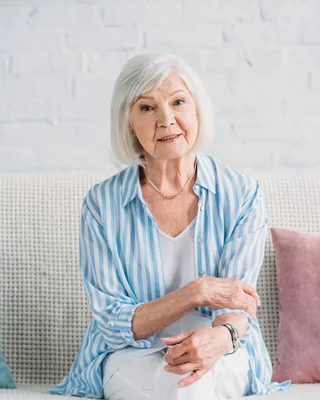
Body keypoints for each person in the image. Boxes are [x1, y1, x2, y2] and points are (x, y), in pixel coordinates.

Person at [50, 53, 291, 399]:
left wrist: (219, 340)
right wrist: (198, 291)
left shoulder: (241, 194)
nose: (166, 119)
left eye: (178, 102)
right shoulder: (102, 205)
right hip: (131, 354)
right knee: (177, 387)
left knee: (189, 387)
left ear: (197, 111)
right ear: (129, 123)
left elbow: (239, 305)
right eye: (147, 108)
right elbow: (114, 323)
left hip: (224, 346)